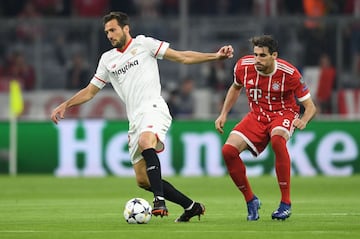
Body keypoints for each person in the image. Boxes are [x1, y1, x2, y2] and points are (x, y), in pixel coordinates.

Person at [50, 11, 233, 222]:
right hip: (135, 118)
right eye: (107, 32)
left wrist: (215, 56)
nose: (109, 35)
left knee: (146, 140)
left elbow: (182, 57)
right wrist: (66, 104)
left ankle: (159, 201)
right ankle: (191, 207)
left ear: (126, 28)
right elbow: (90, 91)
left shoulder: (144, 44)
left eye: (113, 30)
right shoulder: (107, 60)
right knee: (143, 180)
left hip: (154, 107)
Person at [215, 35, 316, 221]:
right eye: (255, 55)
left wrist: (304, 119)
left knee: (278, 141)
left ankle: (285, 203)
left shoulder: (289, 73)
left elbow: (310, 106)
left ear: (274, 56)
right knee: (228, 151)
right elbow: (235, 87)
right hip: (257, 116)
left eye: (262, 56)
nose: (257, 60)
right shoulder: (243, 67)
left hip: (283, 114)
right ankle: (251, 200)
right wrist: (223, 114)